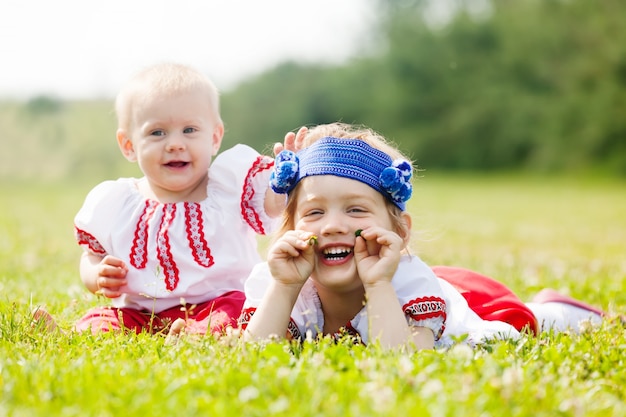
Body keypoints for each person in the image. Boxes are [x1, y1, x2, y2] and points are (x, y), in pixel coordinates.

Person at [239, 123, 608, 350]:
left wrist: (381, 285)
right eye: (314, 212)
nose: (333, 225)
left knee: (527, 322)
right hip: (439, 284)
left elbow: (404, 363)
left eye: (355, 210)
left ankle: (561, 308)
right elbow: (254, 356)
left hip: (467, 307)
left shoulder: (408, 285)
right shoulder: (282, 286)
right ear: (290, 231)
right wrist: (284, 287)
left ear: (399, 231)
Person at [33, 62, 303, 337]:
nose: (175, 144)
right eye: (157, 132)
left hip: (217, 303)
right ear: (129, 145)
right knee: (103, 320)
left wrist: (284, 180)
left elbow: (273, 205)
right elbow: (91, 256)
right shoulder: (117, 202)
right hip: (139, 312)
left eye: (189, 130)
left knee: (235, 311)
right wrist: (96, 275)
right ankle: (70, 335)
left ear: (214, 137)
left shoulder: (230, 187)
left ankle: (195, 334)